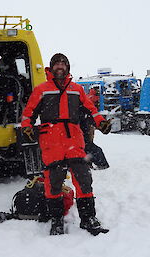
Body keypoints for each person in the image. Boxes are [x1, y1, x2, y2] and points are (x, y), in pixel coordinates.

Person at [21, 53, 112, 236]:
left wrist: (101, 122)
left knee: (84, 181)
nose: (60, 66)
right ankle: (56, 221)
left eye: (63, 64)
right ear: (51, 68)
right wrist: (27, 127)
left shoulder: (77, 90)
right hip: (51, 142)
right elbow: (28, 113)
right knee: (53, 184)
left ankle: (88, 219)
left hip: (74, 141)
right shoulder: (41, 90)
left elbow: (91, 110)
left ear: (68, 68)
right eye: (57, 64)